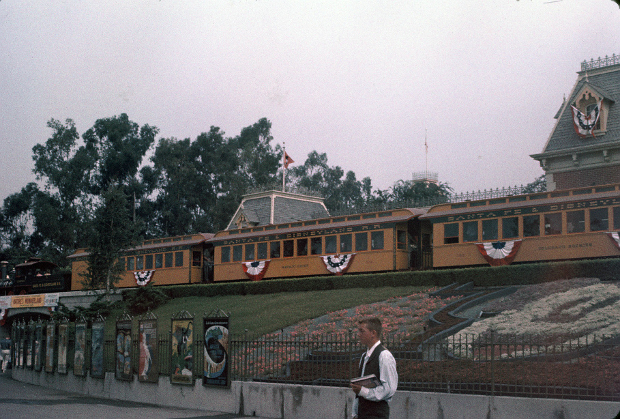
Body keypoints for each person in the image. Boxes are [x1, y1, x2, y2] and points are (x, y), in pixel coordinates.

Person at [351, 317, 398, 419]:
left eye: (362, 331)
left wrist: (363, 391)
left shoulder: (384, 356)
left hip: (377, 414)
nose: (358, 334)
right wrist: (355, 413)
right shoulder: (364, 356)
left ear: (373, 333)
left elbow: (389, 389)